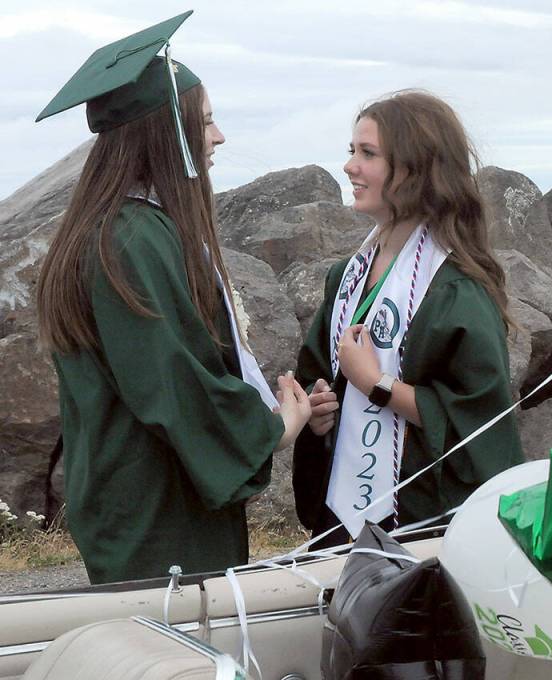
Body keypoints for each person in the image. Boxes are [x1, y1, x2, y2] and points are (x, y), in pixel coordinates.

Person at [34, 12, 311, 584]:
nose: (218, 137)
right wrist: (277, 428)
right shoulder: (130, 239)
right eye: (204, 122)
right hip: (158, 512)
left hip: (133, 496)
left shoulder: (115, 227)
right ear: (166, 131)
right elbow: (171, 380)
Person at [293, 90, 524, 546]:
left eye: (368, 154)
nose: (350, 166)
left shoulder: (456, 288)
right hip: (342, 513)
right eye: (351, 151)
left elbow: (476, 423)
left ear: (416, 169)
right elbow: (319, 373)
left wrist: (377, 385)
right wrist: (316, 409)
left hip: (419, 525)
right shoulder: (347, 276)